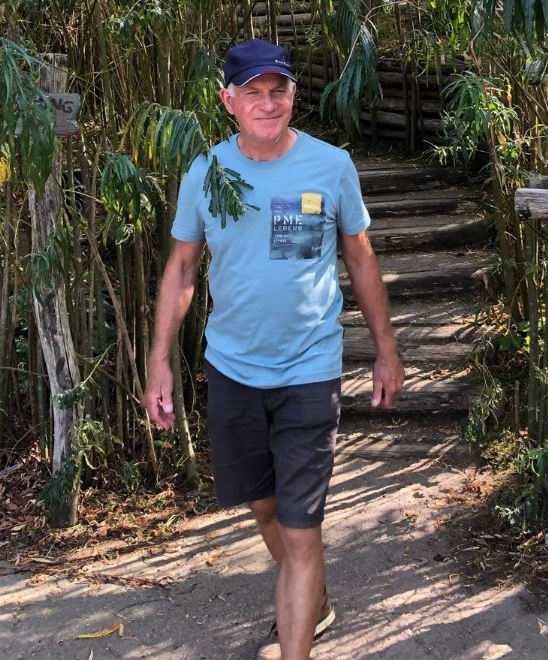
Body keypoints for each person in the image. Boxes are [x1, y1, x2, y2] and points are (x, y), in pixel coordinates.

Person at [144, 38, 405, 660]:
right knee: (264, 507)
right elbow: (182, 268)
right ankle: (315, 598)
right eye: (253, 92)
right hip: (233, 368)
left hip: (310, 368)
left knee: (301, 525)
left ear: (293, 94)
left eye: (279, 90)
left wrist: (386, 349)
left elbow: (360, 258)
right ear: (227, 101)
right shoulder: (206, 171)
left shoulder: (331, 166)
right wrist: (159, 361)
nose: (268, 103)